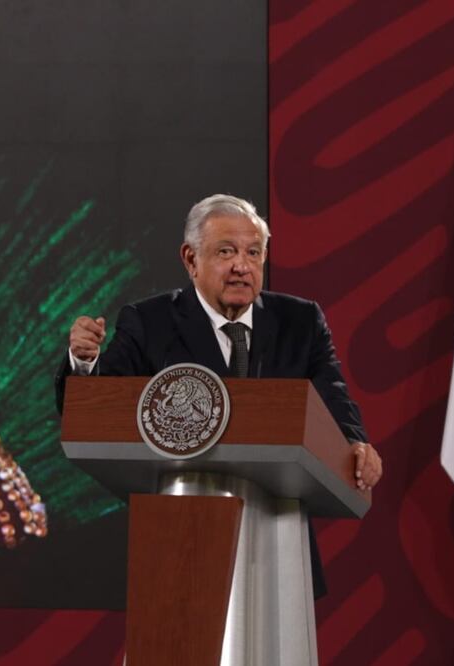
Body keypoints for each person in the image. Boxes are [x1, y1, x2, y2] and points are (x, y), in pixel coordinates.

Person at [55, 193, 383, 595]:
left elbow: (331, 394)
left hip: (279, 544)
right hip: (180, 540)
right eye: (226, 251)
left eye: (253, 252)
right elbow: (101, 405)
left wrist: (355, 443)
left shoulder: (301, 322)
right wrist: (84, 362)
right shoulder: (149, 322)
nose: (241, 266)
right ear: (191, 259)